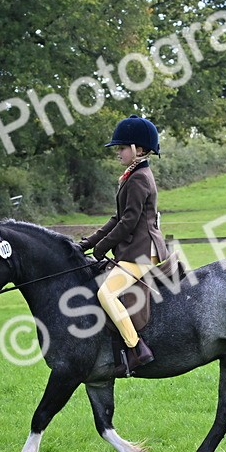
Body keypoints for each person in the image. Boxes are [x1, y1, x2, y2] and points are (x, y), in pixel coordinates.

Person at [77, 116, 169, 373]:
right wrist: (87, 244)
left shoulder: (139, 178)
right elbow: (117, 218)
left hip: (142, 252)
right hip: (133, 250)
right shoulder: (133, 175)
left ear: (138, 149)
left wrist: (102, 247)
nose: (117, 153)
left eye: (121, 148)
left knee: (105, 293)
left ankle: (136, 348)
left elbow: (128, 222)